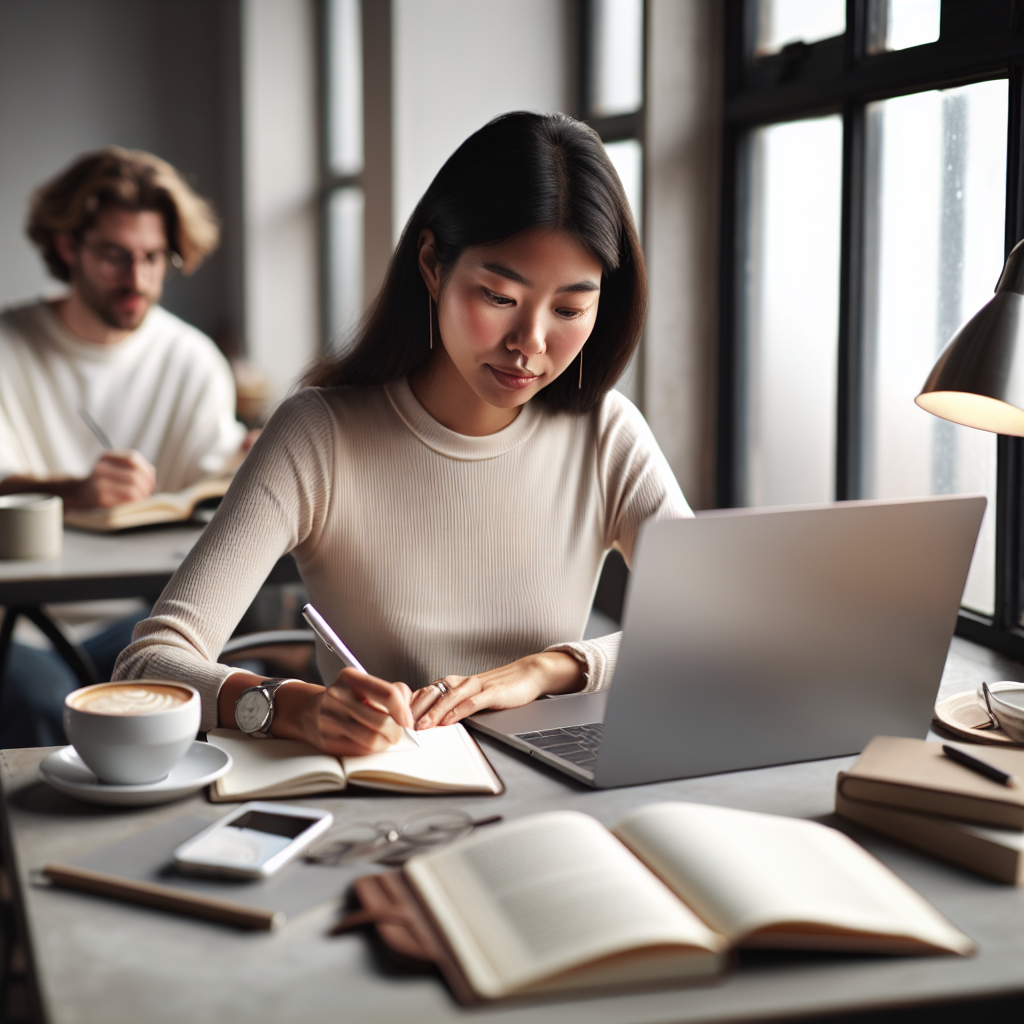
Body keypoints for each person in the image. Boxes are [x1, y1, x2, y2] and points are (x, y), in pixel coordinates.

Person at [114, 112, 692, 755]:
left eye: (569, 309)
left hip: (551, 786)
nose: (530, 343)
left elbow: (720, 631)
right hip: (381, 787)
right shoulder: (320, 436)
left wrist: (549, 669)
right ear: (432, 266)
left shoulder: (606, 435)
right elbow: (147, 666)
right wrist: (298, 707)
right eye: (499, 297)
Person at [0, 148, 248, 747]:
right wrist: (75, 490)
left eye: (153, 257)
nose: (137, 278)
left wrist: (253, 467)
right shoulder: (8, 345)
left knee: (231, 688)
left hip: (139, 619)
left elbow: (208, 494)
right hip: (12, 623)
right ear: (68, 247)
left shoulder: (191, 360)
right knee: (37, 707)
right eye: (115, 256)